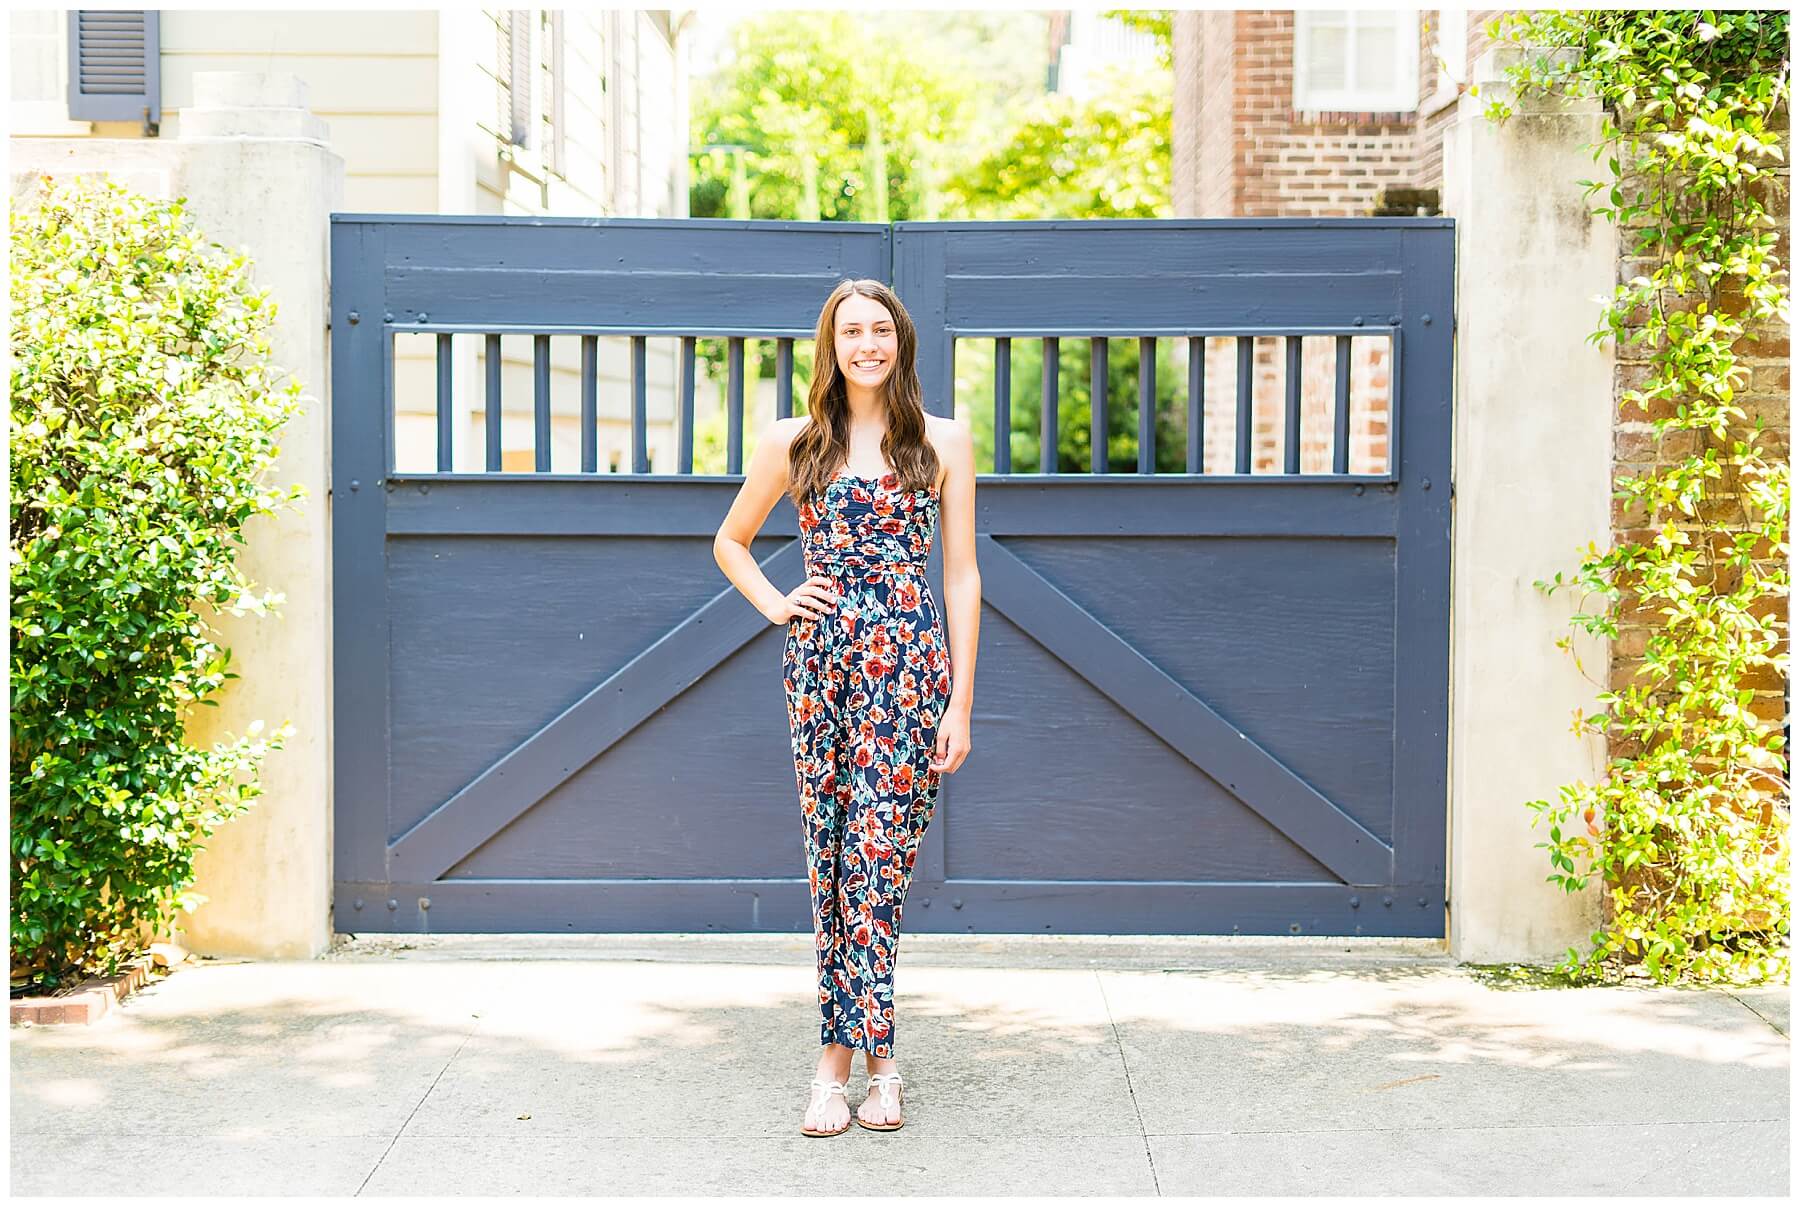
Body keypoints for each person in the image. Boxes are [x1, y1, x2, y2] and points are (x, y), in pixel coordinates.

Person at [713, 278, 979, 1136]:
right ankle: (849, 1062)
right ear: (830, 345)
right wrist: (777, 603)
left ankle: (872, 1058)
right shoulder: (794, 441)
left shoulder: (942, 442)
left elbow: (963, 575)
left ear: (900, 340)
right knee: (832, 855)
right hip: (822, 668)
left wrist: (960, 703)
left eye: (880, 329)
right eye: (850, 331)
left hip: (908, 669)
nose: (866, 344)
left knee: (882, 861)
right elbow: (730, 539)